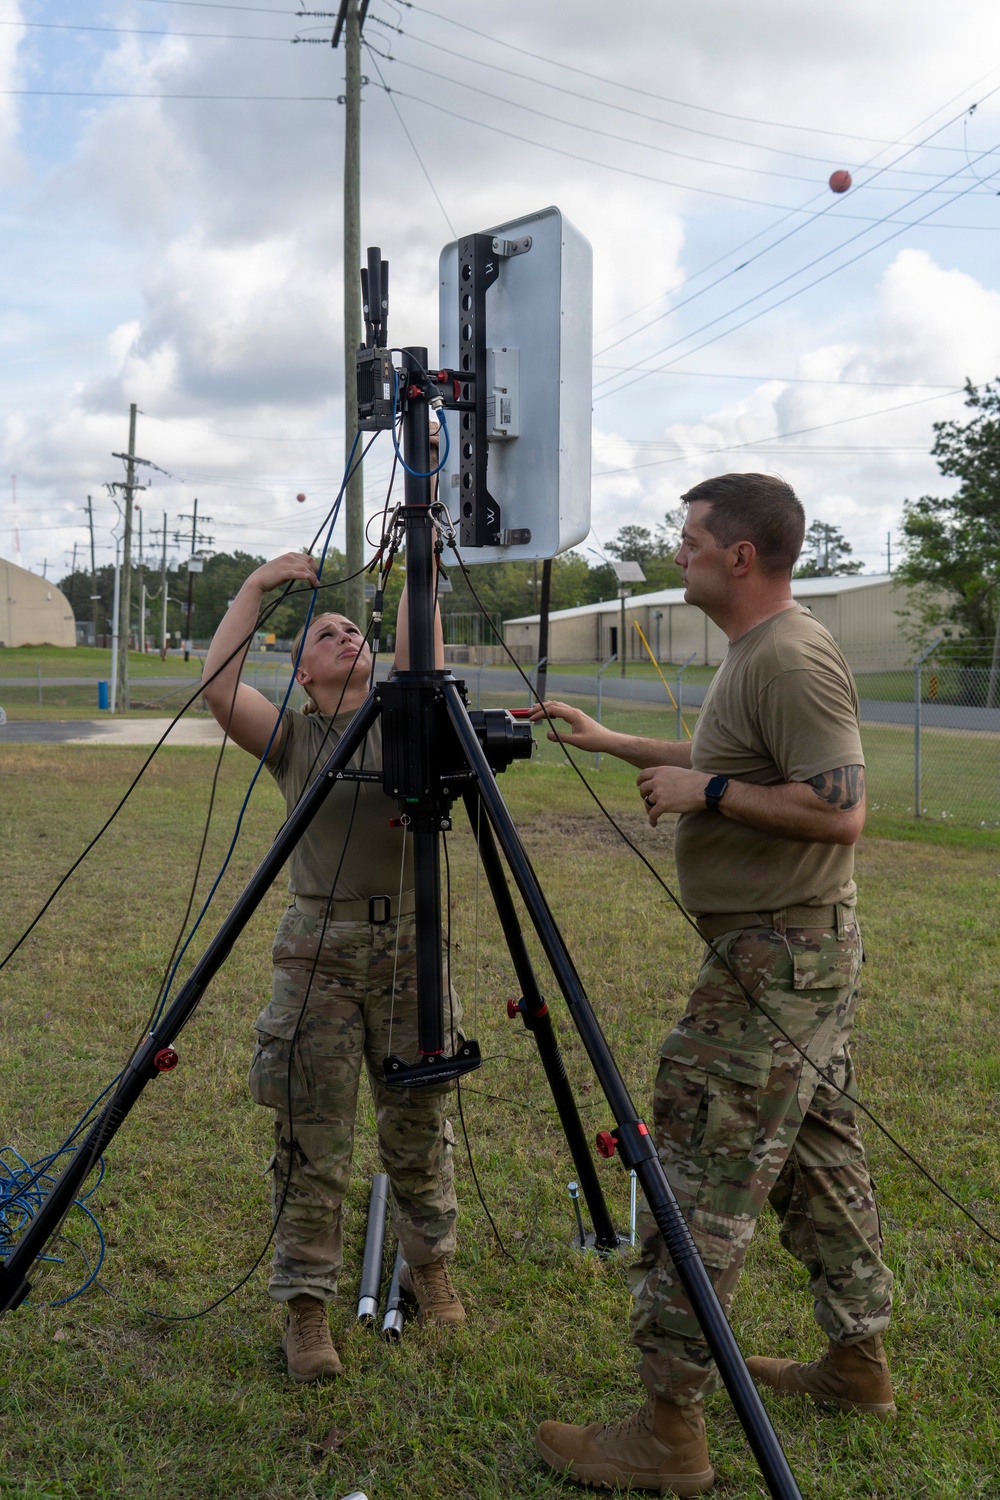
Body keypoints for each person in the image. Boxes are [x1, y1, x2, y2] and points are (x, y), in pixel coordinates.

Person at [530, 473, 894, 1494]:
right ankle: (857, 1361)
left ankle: (667, 1429)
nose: (676, 553)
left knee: (699, 1170)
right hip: (790, 953)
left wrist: (710, 793)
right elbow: (721, 758)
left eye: (690, 540)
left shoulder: (790, 654)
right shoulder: (756, 652)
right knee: (818, 1158)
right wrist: (616, 746)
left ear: (740, 556)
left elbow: (838, 810)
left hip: (776, 960)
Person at [202, 548, 465, 1384]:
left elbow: (425, 654)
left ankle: (429, 1266)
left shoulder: (409, 718)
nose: (345, 634)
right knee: (313, 1134)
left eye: (355, 628)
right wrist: (257, 587)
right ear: (302, 669)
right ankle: (308, 1307)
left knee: (416, 1125)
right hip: (319, 949)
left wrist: (421, 561)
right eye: (326, 632)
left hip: (411, 949)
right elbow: (217, 688)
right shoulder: (294, 738)